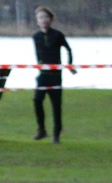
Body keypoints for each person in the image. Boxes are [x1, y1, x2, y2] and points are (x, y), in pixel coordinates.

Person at [31, 7, 75, 143]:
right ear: (37, 21)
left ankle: (56, 133)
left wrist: (69, 65)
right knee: (37, 100)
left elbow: (68, 49)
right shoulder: (36, 36)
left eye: (45, 17)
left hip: (55, 75)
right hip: (42, 75)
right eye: (40, 18)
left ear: (50, 19)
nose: (43, 20)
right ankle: (41, 130)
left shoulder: (58, 35)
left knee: (56, 105)